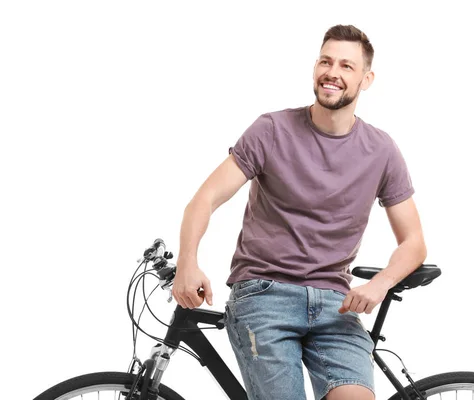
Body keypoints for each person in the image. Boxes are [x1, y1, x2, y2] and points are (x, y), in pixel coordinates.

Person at [172, 24, 427, 400]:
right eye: (326, 61)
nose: (333, 73)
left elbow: (414, 241)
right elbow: (205, 199)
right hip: (264, 294)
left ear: (366, 79)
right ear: (314, 68)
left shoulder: (381, 150)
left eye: (346, 66)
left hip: (334, 305)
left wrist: (381, 282)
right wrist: (187, 262)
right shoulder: (272, 130)